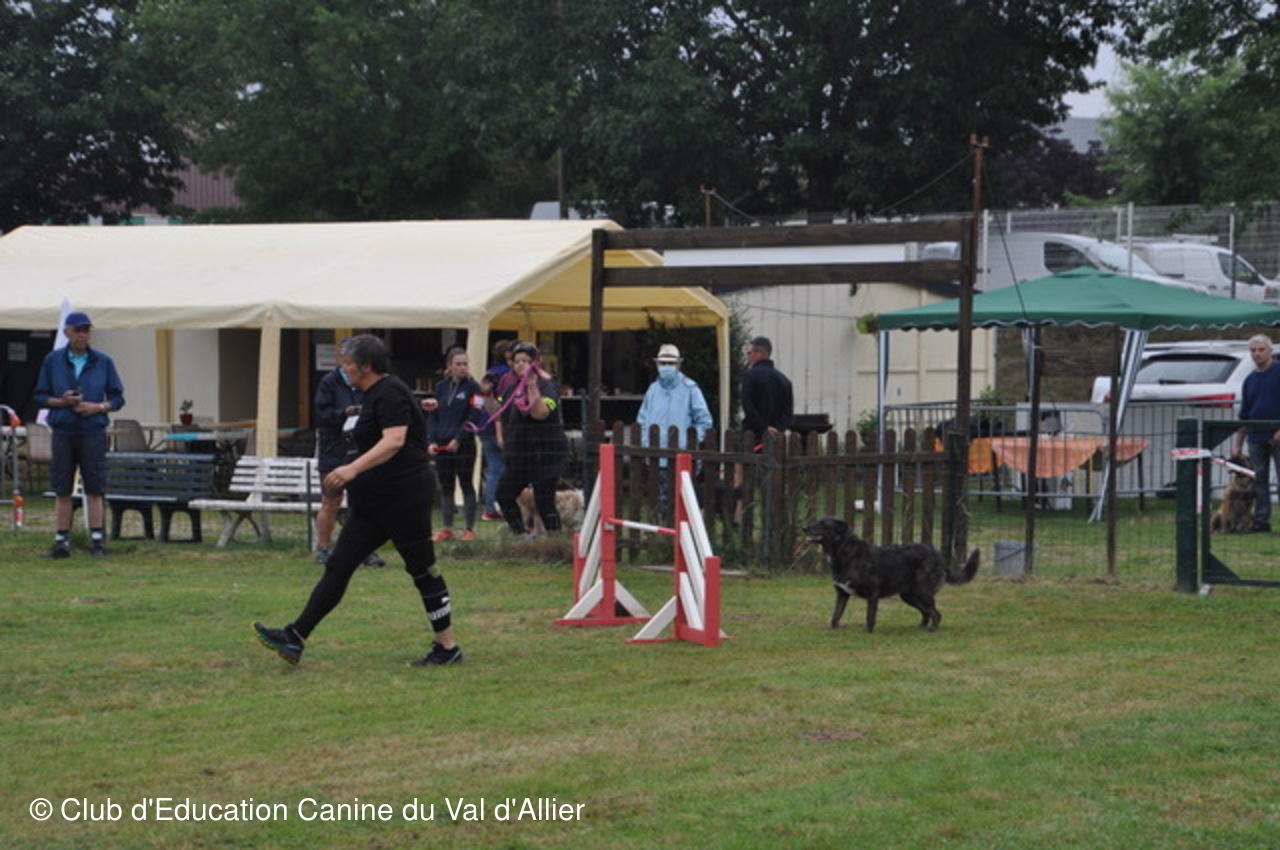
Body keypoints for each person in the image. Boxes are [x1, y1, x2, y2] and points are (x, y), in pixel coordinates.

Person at [254, 335, 462, 667]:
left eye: (348, 363)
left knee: (423, 570)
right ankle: (295, 637)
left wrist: (351, 469)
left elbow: (394, 440)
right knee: (338, 565)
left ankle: (447, 648)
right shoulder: (370, 394)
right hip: (373, 502)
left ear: (366, 365)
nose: (344, 368)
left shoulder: (390, 391)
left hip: (403, 498)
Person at [32, 311, 125, 558]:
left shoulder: (103, 362)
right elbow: (40, 397)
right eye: (77, 330)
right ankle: (61, 541)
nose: (82, 335)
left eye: (86, 330)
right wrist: (62, 402)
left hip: (92, 430)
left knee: (94, 486)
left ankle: (97, 541)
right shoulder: (53, 361)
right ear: (67, 333)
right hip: (63, 429)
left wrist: (98, 407)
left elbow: (117, 398)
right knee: (62, 487)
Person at [313, 362, 386, 567]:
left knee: (363, 505)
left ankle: (366, 551)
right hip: (333, 452)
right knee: (331, 502)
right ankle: (323, 549)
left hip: (360, 452)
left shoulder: (367, 381)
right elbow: (322, 414)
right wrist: (343, 413)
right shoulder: (329, 382)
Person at [494, 341, 569, 536]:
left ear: (536, 363)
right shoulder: (511, 389)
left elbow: (540, 414)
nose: (520, 365)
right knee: (503, 495)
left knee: (544, 501)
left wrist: (532, 386)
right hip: (519, 457)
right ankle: (521, 535)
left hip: (545, 456)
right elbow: (498, 412)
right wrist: (484, 394)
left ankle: (555, 541)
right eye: (517, 361)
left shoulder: (547, 386)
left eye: (526, 361)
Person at [636, 343, 714, 519]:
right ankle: (660, 529)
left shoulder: (690, 389)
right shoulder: (653, 390)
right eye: (663, 363)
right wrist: (646, 443)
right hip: (655, 457)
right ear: (657, 365)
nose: (666, 367)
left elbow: (704, 420)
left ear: (678, 365)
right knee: (658, 502)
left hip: (682, 457)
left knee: (682, 503)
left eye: (670, 363)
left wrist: (689, 442)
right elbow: (642, 420)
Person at [425, 346, 484, 542]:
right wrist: (432, 440)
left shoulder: (474, 388)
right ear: (449, 366)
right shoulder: (441, 387)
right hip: (442, 444)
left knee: (466, 483)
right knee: (446, 485)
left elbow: (475, 415)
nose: (462, 368)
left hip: (464, 444)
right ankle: (447, 528)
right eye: (458, 364)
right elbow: (433, 415)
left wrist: (458, 438)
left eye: (465, 364)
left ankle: (469, 528)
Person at [1232, 334, 1280, 533]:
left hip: (1276, 434)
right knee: (1259, 481)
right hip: (1255, 436)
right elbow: (1245, 414)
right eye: (1253, 350)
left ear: (1270, 351)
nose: (1257, 354)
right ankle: (1261, 521)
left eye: (1261, 350)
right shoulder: (1250, 380)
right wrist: (1238, 442)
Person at [477, 339, 512, 520]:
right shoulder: (507, 375)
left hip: (483, 424)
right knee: (508, 467)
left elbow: (479, 399)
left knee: (493, 468)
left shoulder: (488, 374)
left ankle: (489, 507)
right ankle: (507, 504)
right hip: (500, 425)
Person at [741, 336, 794, 440]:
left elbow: (748, 406)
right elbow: (788, 413)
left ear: (758, 354)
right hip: (777, 438)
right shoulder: (785, 380)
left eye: (749, 353)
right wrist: (778, 428)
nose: (748, 357)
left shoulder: (750, 376)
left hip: (754, 436)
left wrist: (764, 427)